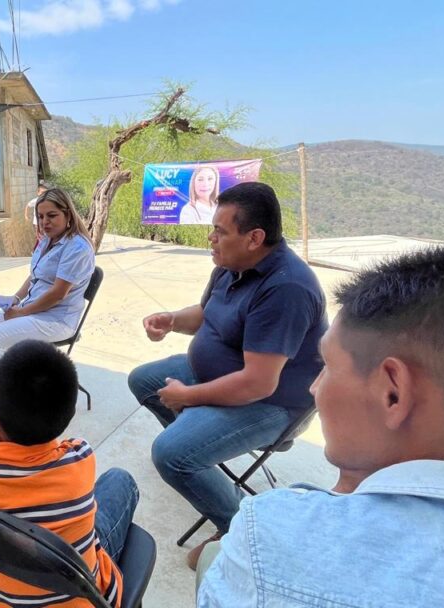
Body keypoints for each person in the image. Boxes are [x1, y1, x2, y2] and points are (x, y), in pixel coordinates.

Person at [197, 244, 444, 607]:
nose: (315, 387)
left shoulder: (272, 539)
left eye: (327, 365)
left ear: (392, 394)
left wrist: (340, 507)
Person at [127, 182, 327, 569]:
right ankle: (200, 458)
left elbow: (258, 383)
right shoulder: (231, 264)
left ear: (255, 238)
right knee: (143, 380)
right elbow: (206, 314)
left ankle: (240, 527)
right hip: (220, 374)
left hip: (273, 404)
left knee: (171, 454)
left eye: (220, 231)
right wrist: (171, 320)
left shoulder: (285, 289)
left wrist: (188, 397)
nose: (211, 238)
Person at [0, 340, 138, 608]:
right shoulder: (81, 456)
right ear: (69, 415)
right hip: (86, 596)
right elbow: (44, 452)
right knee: (120, 480)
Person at [0, 188, 95, 367]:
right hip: (35, 309)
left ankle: (18, 383)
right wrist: (16, 298)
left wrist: (21, 312)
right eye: (41, 216)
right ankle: (26, 372)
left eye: (52, 215)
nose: (45, 222)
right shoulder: (47, 240)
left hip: (56, 319)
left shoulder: (77, 248)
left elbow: (58, 294)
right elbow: (35, 276)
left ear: (68, 214)